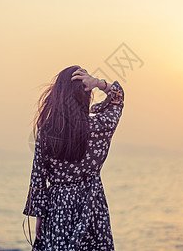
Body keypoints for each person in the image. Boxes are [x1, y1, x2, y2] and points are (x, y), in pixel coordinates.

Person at [23, 65, 124, 250]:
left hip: (57, 208)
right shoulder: (99, 126)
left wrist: (40, 215)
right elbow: (117, 97)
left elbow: (38, 177)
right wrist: (98, 83)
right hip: (91, 205)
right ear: (86, 95)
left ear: (58, 95)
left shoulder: (47, 131)